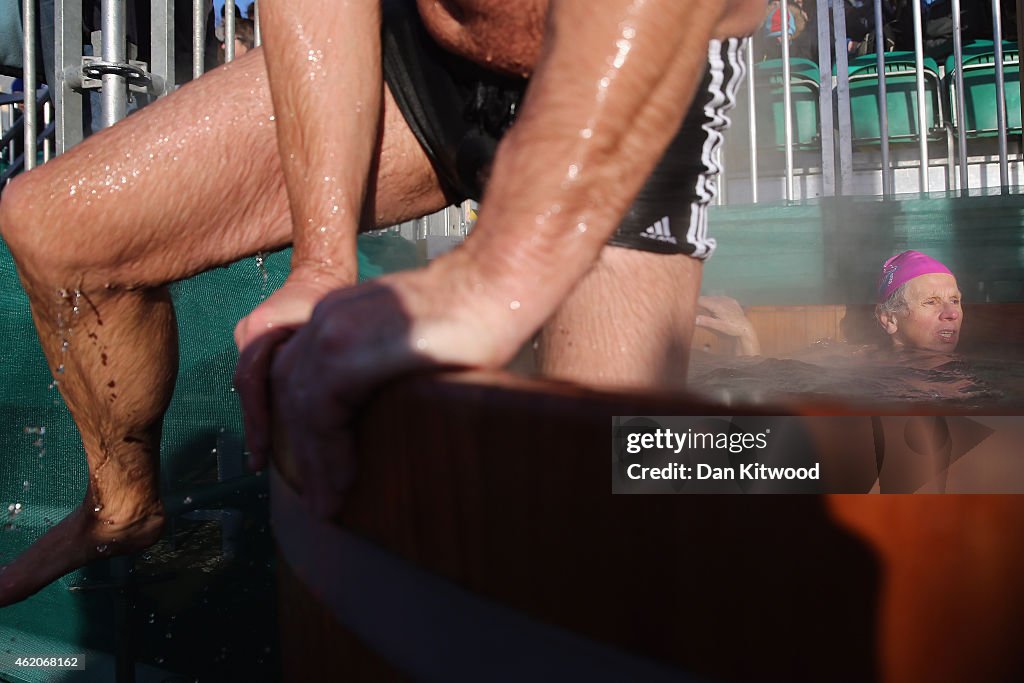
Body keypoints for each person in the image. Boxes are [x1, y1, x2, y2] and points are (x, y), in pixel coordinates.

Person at [0, 0, 766, 606]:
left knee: (613, 504)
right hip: (428, 57)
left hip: (640, 55)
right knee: (59, 233)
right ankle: (124, 506)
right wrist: (322, 261)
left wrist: (500, 269)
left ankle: (832, 469)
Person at [696, 250, 963, 355]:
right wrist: (746, 336)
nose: (951, 313)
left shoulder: (985, 367)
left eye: (955, 300)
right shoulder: (857, 366)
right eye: (931, 302)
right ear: (889, 319)